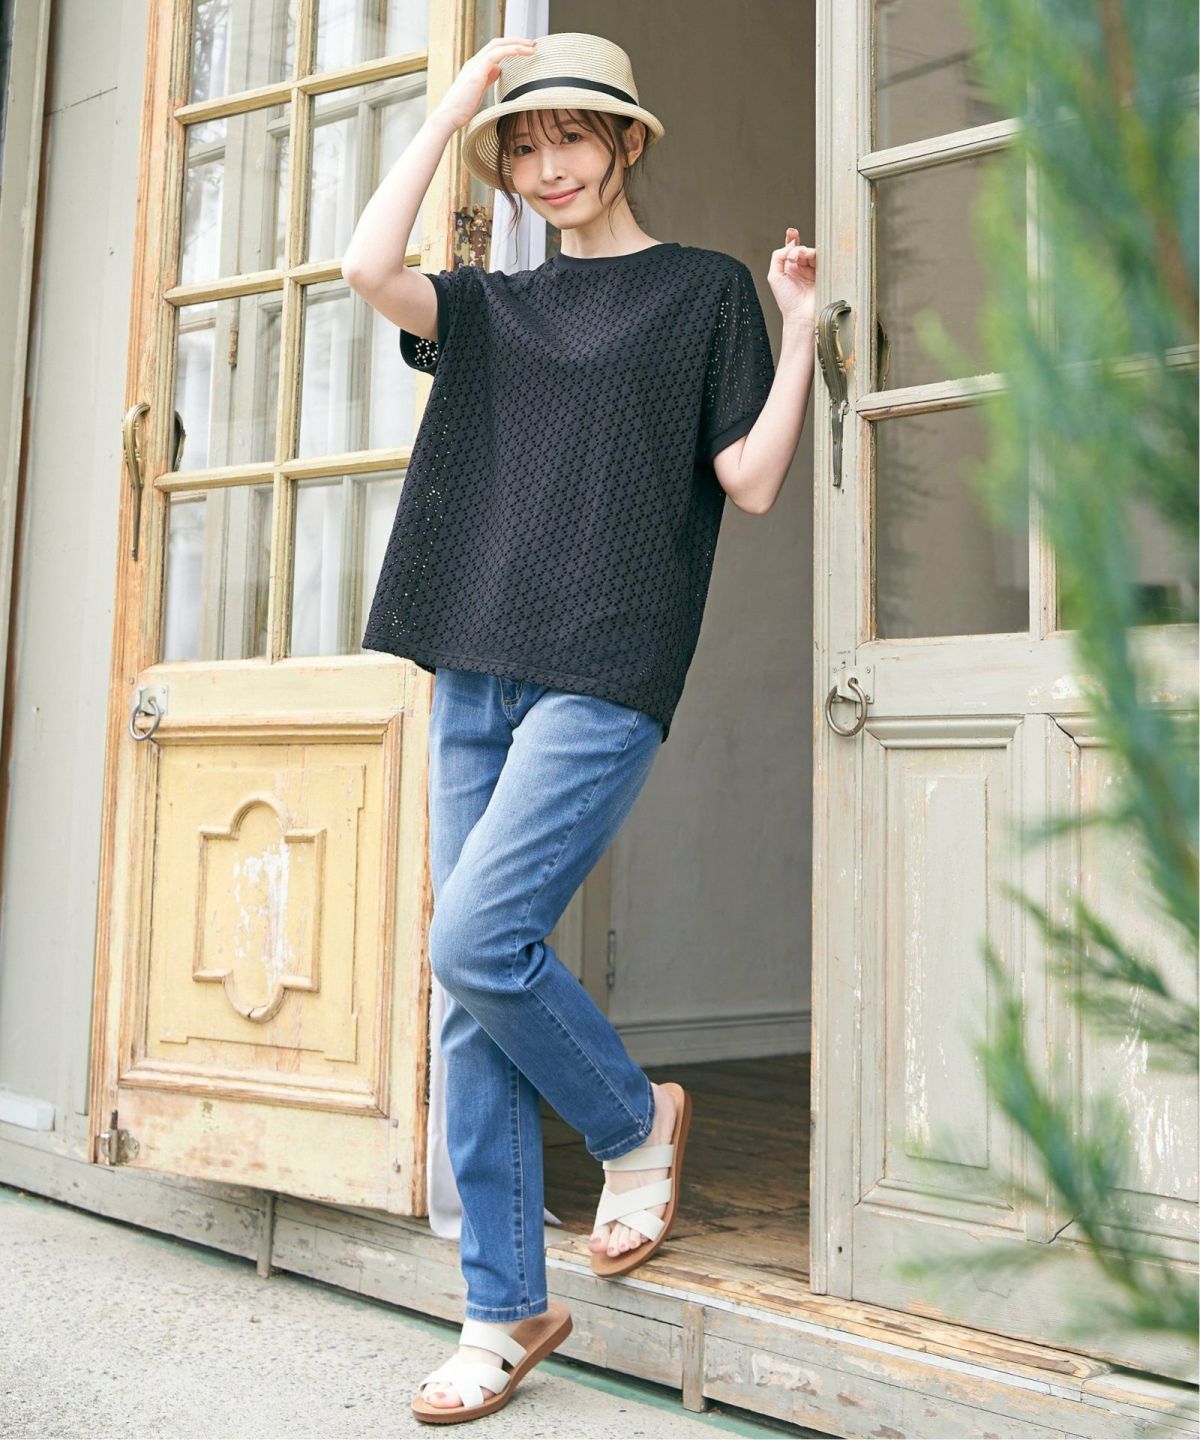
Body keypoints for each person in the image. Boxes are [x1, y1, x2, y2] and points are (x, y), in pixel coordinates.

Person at [343, 29, 816, 1425]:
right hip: (474, 657)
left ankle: (631, 1122)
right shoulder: (491, 309)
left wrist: (797, 328)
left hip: (605, 663)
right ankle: (501, 1310)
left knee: (475, 940)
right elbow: (366, 268)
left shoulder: (701, 293)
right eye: (525, 146)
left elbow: (751, 479)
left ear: (627, 143)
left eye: (572, 138)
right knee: (471, 991)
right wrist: (454, 107)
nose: (548, 167)